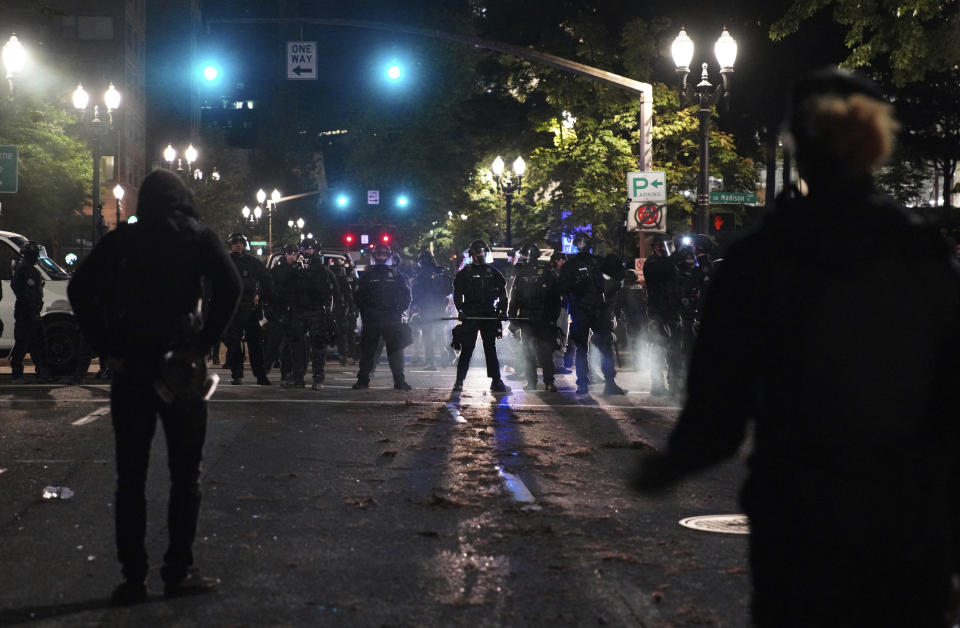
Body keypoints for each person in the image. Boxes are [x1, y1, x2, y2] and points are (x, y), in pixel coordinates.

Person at [634, 69, 960, 627]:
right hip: (909, 517)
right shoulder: (924, 254)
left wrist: (670, 466)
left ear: (797, 147)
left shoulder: (759, 258)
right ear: (876, 148)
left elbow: (720, 402)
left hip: (800, 508)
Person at [67, 169, 241, 604]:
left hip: (132, 364)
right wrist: (203, 343)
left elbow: (79, 287)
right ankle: (178, 569)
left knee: (131, 477)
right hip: (179, 365)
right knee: (186, 475)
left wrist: (106, 345)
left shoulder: (124, 238)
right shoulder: (198, 236)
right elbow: (232, 285)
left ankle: (133, 577)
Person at [557, 233, 627, 395]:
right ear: (576, 245)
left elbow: (617, 276)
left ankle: (610, 382)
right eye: (579, 243)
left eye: (584, 243)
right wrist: (577, 284)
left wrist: (616, 263)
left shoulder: (597, 261)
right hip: (580, 309)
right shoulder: (570, 265)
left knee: (605, 346)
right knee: (582, 348)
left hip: (598, 308)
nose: (582, 246)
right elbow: (561, 287)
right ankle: (582, 383)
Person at [451, 240, 510, 393]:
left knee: (489, 348)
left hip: (488, 314)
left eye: (481, 252)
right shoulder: (465, 273)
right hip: (471, 314)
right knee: (468, 348)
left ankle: (496, 381)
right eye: (478, 252)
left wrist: (503, 310)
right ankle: (459, 381)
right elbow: (457, 295)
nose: (480, 255)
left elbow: (503, 295)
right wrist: (461, 311)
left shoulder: (493, 272)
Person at [352, 243, 412, 390]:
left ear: (388, 256)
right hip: (373, 319)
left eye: (384, 254)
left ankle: (399, 381)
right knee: (368, 352)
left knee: (395, 352)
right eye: (378, 254)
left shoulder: (397, 276)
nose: (381, 257)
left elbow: (406, 297)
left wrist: (398, 312)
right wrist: (367, 313)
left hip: (391, 319)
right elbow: (359, 298)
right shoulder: (367, 276)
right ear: (374, 256)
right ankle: (363, 380)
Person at [507, 243, 561, 391]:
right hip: (529, 318)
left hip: (539, 319)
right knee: (532, 352)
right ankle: (538, 382)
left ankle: (545, 382)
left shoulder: (543, 273)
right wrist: (512, 317)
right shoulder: (525, 273)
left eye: (524, 255)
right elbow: (515, 296)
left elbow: (555, 298)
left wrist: (551, 318)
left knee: (540, 352)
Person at [223, 233, 272, 386]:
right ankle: (236, 374)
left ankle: (261, 375)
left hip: (249, 307)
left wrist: (262, 297)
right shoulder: (224, 262)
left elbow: (267, 279)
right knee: (233, 344)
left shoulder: (252, 262)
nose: (238, 245)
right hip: (231, 308)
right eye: (235, 242)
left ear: (245, 244)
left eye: (241, 242)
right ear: (230, 245)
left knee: (255, 344)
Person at [291, 237, 337, 390]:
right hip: (299, 310)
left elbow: (330, 291)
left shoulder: (322, 270)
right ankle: (298, 376)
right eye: (304, 249)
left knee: (318, 345)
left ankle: (318, 377)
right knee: (298, 345)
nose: (307, 252)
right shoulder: (296, 268)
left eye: (309, 249)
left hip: (316, 310)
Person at [263, 243, 304, 387]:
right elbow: (270, 290)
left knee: (289, 346)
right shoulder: (277, 271)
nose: (292, 256)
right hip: (279, 310)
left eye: (294, 254)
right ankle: (267, 366)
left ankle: (285, 373)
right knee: (273, 342)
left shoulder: (300, 270)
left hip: (293, 311)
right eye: (289, 253)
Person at [9, 241, 49, 382]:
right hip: (27, 312)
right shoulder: (26, 270)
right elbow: (26, 292)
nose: (37, 256)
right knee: (23, 342)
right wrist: (32, 309)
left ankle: (42, 372)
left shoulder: (25, 268)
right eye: (36, 254)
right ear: (31, 254)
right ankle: (18, 374)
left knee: (36, 342)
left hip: (29, 311)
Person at [411, 250, 453, 371]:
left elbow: (416, 292)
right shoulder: (441, 271)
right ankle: (444, 352)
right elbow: (449, 289)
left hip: (427, 309)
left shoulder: (422, 274)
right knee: (441, 333)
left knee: (428, 335)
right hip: (441, 308)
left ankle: (431, 362)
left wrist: (416, 306)